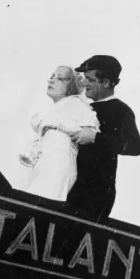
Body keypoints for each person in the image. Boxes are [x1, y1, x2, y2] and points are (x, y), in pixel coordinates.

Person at [67, 55, 140, 221]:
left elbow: (134, 146)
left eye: (90, 80)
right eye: (84, 78)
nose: (84, 84)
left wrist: (95, 137)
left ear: (106, 83)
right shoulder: (81, 106)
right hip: (68, 185)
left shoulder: (120, 110)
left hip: (94, 195)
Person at [20, 66, 100, 201]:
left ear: (71, 86)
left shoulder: (77, 104)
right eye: (52, 77)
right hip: (45, 164)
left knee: (45, 203)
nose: (51, 81)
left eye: (60, 78)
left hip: (59, 164)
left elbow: (92, 133)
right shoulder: (58, 107)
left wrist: (64, 128)